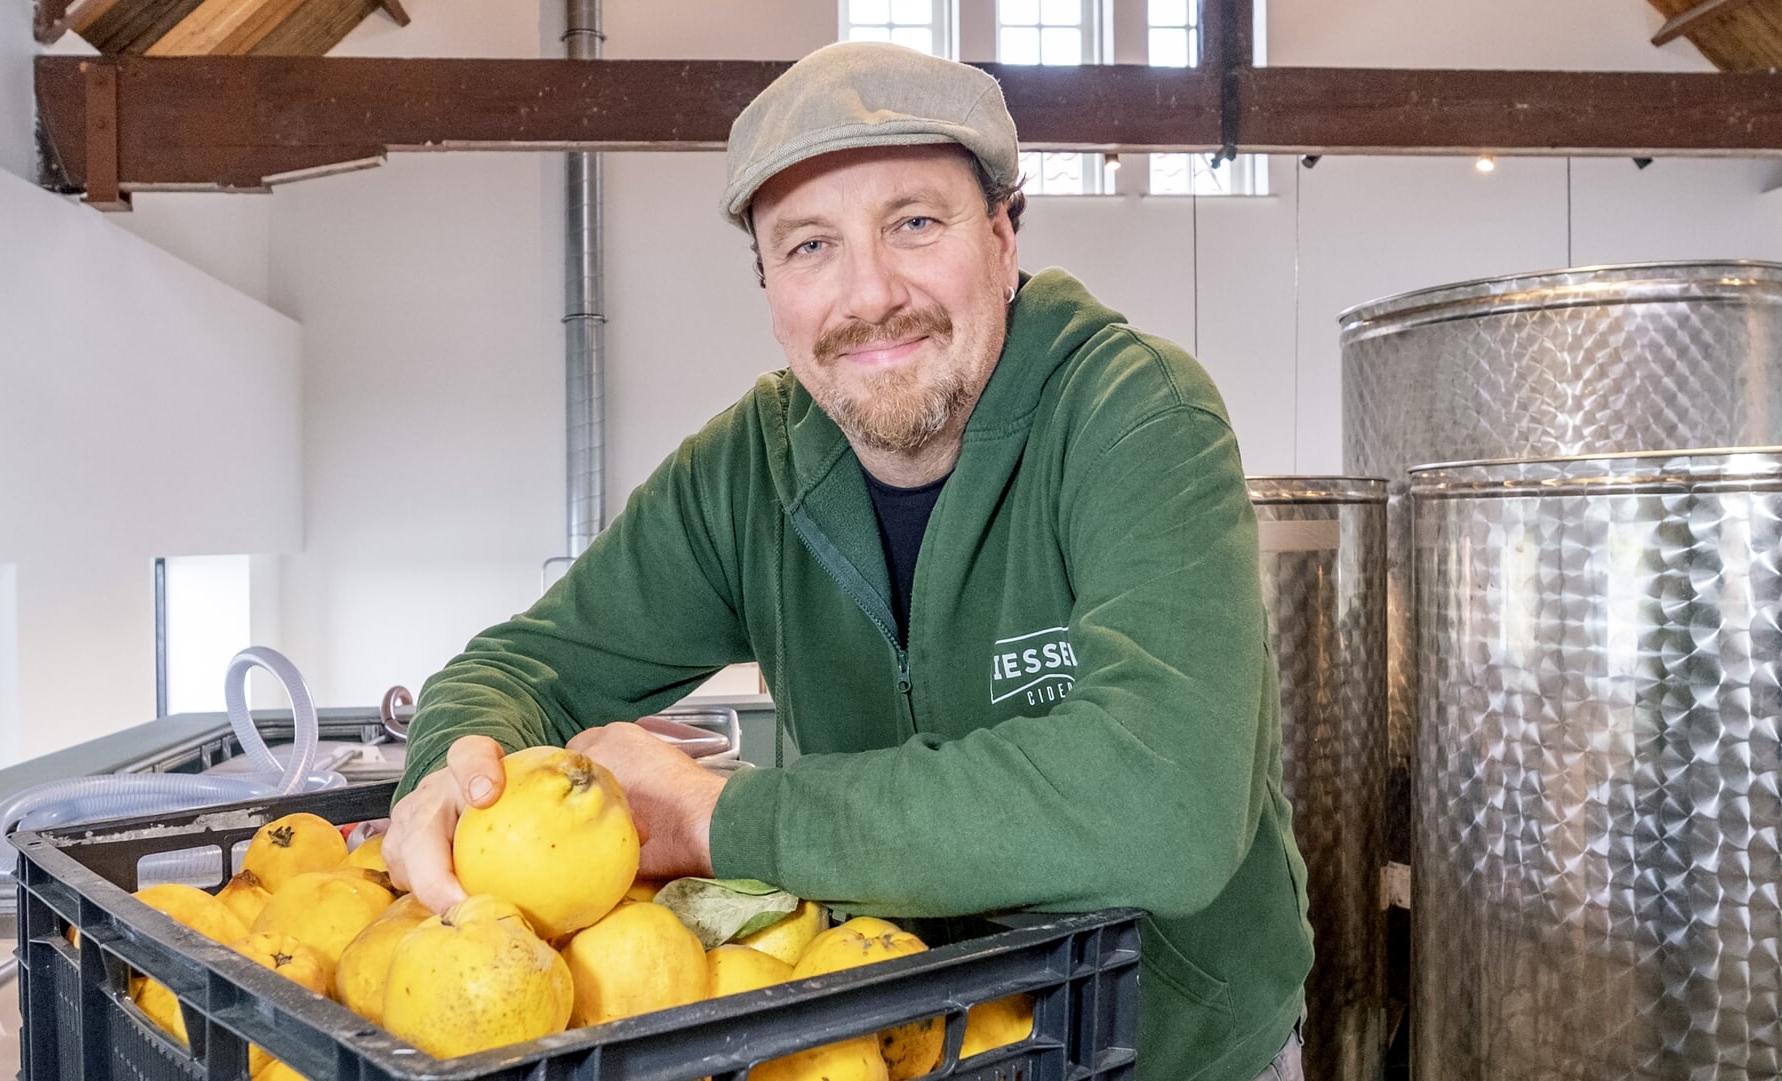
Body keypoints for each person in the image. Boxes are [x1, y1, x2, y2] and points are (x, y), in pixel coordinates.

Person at [383, 40, 1311, 1081]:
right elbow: (524, 668)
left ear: (1003, 236)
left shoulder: (1134, 416)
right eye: (809, 245)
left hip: (1168, 1053)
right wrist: (445, 774)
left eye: (913, 223)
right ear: (770, 285)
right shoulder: (744, 473)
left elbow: (1164, 804)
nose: (869, 295)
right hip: (904, 1048)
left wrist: (716, 818)